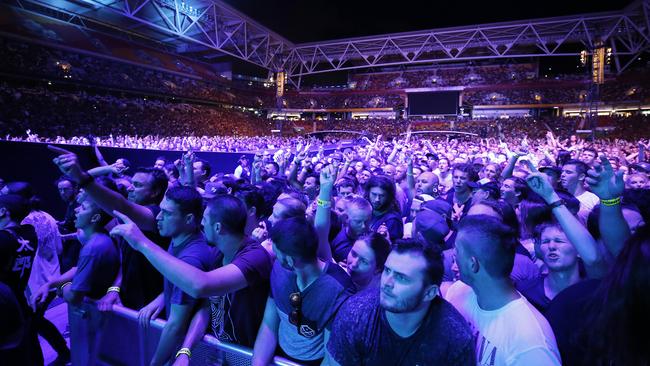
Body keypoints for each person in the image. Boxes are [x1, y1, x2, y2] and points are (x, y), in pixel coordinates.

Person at [110, 194, 273, 353]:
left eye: (205, 219)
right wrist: (185, 351)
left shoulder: (254, 257)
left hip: (247, 353)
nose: (201, 224)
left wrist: (142, 243)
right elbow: (207, 306)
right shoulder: (218, 252)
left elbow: (201, 285)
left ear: (217, 227)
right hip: (220, 348)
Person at [49, 146, 170, 310]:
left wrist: (81, 177)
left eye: (137, 185)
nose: (130, 188)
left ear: (155, 192)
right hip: (132, 301)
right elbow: (124, 260)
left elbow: (121, 205)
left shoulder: (156, 216)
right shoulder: (126, 221)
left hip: (154, 306)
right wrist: (115, 289)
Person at [326, 238, 475, 365]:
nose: (387, 283)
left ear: (429, 293)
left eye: (401, 277)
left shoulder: (455, 338)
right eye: (387, 270)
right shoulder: (356, 313)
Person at [446, 215, 562, 365]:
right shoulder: (458, 292)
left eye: (458, 252)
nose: (453, 256)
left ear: (472, 264)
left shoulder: (531, 344)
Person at [252, 217, 355, 365]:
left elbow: (330, 356)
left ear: (290, 261)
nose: (273, 254)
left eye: (276, 252)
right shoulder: (279, 270)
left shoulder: (338, 289)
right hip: (280, 355)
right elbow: (269, 323)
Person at [365, 175, 404, 240]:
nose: (377, 199)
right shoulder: (365, 211)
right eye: (374, 194)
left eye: (382, 196)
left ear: (389, 197)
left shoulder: (392, 220)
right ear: (368, 193)